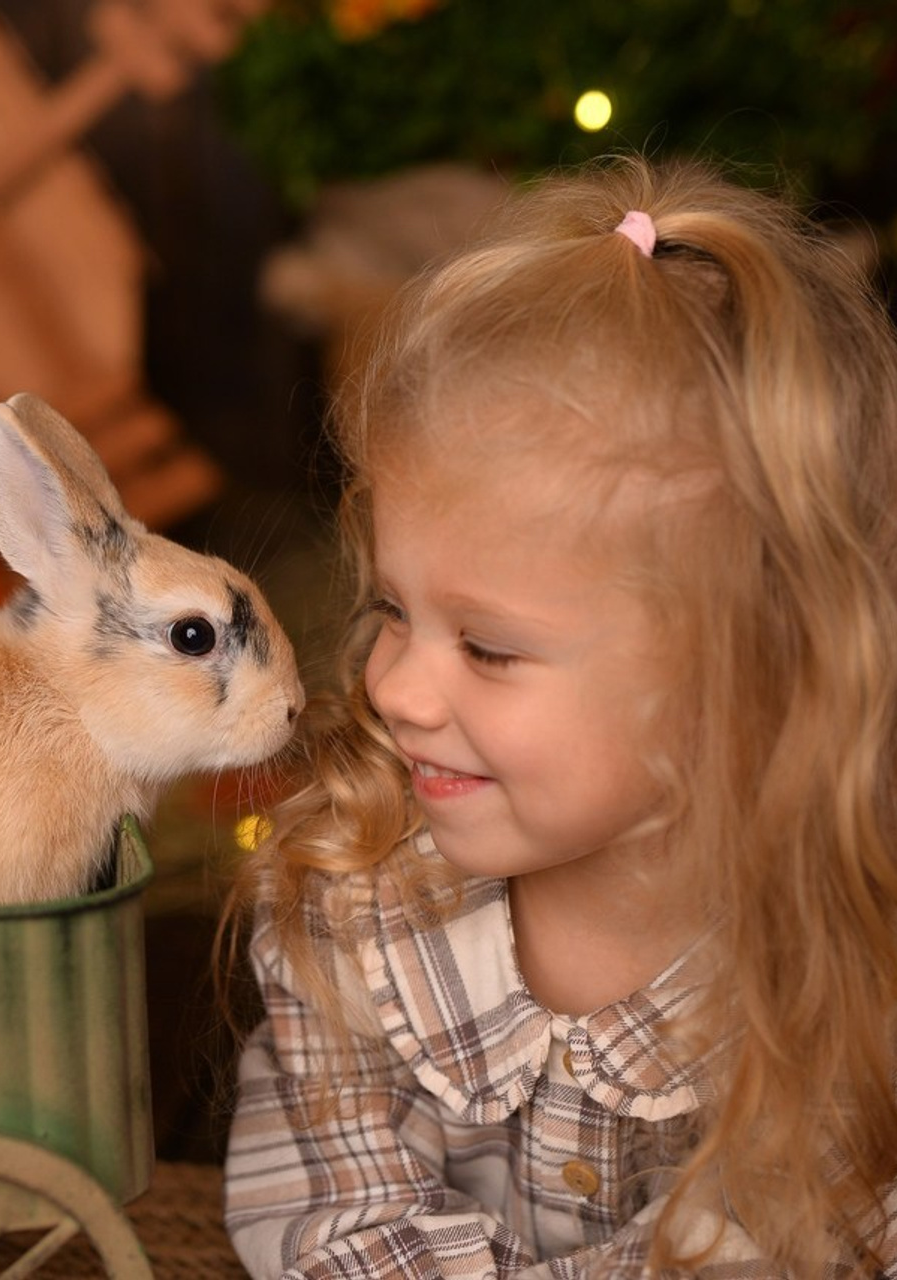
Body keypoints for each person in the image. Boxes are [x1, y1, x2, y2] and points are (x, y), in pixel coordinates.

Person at [222, 155, 897, 1277]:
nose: (392, 687)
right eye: (392, 608)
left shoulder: (837, 972)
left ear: (747, 670)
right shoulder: (352, 898)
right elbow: (336, 1227)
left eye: (486, 646)